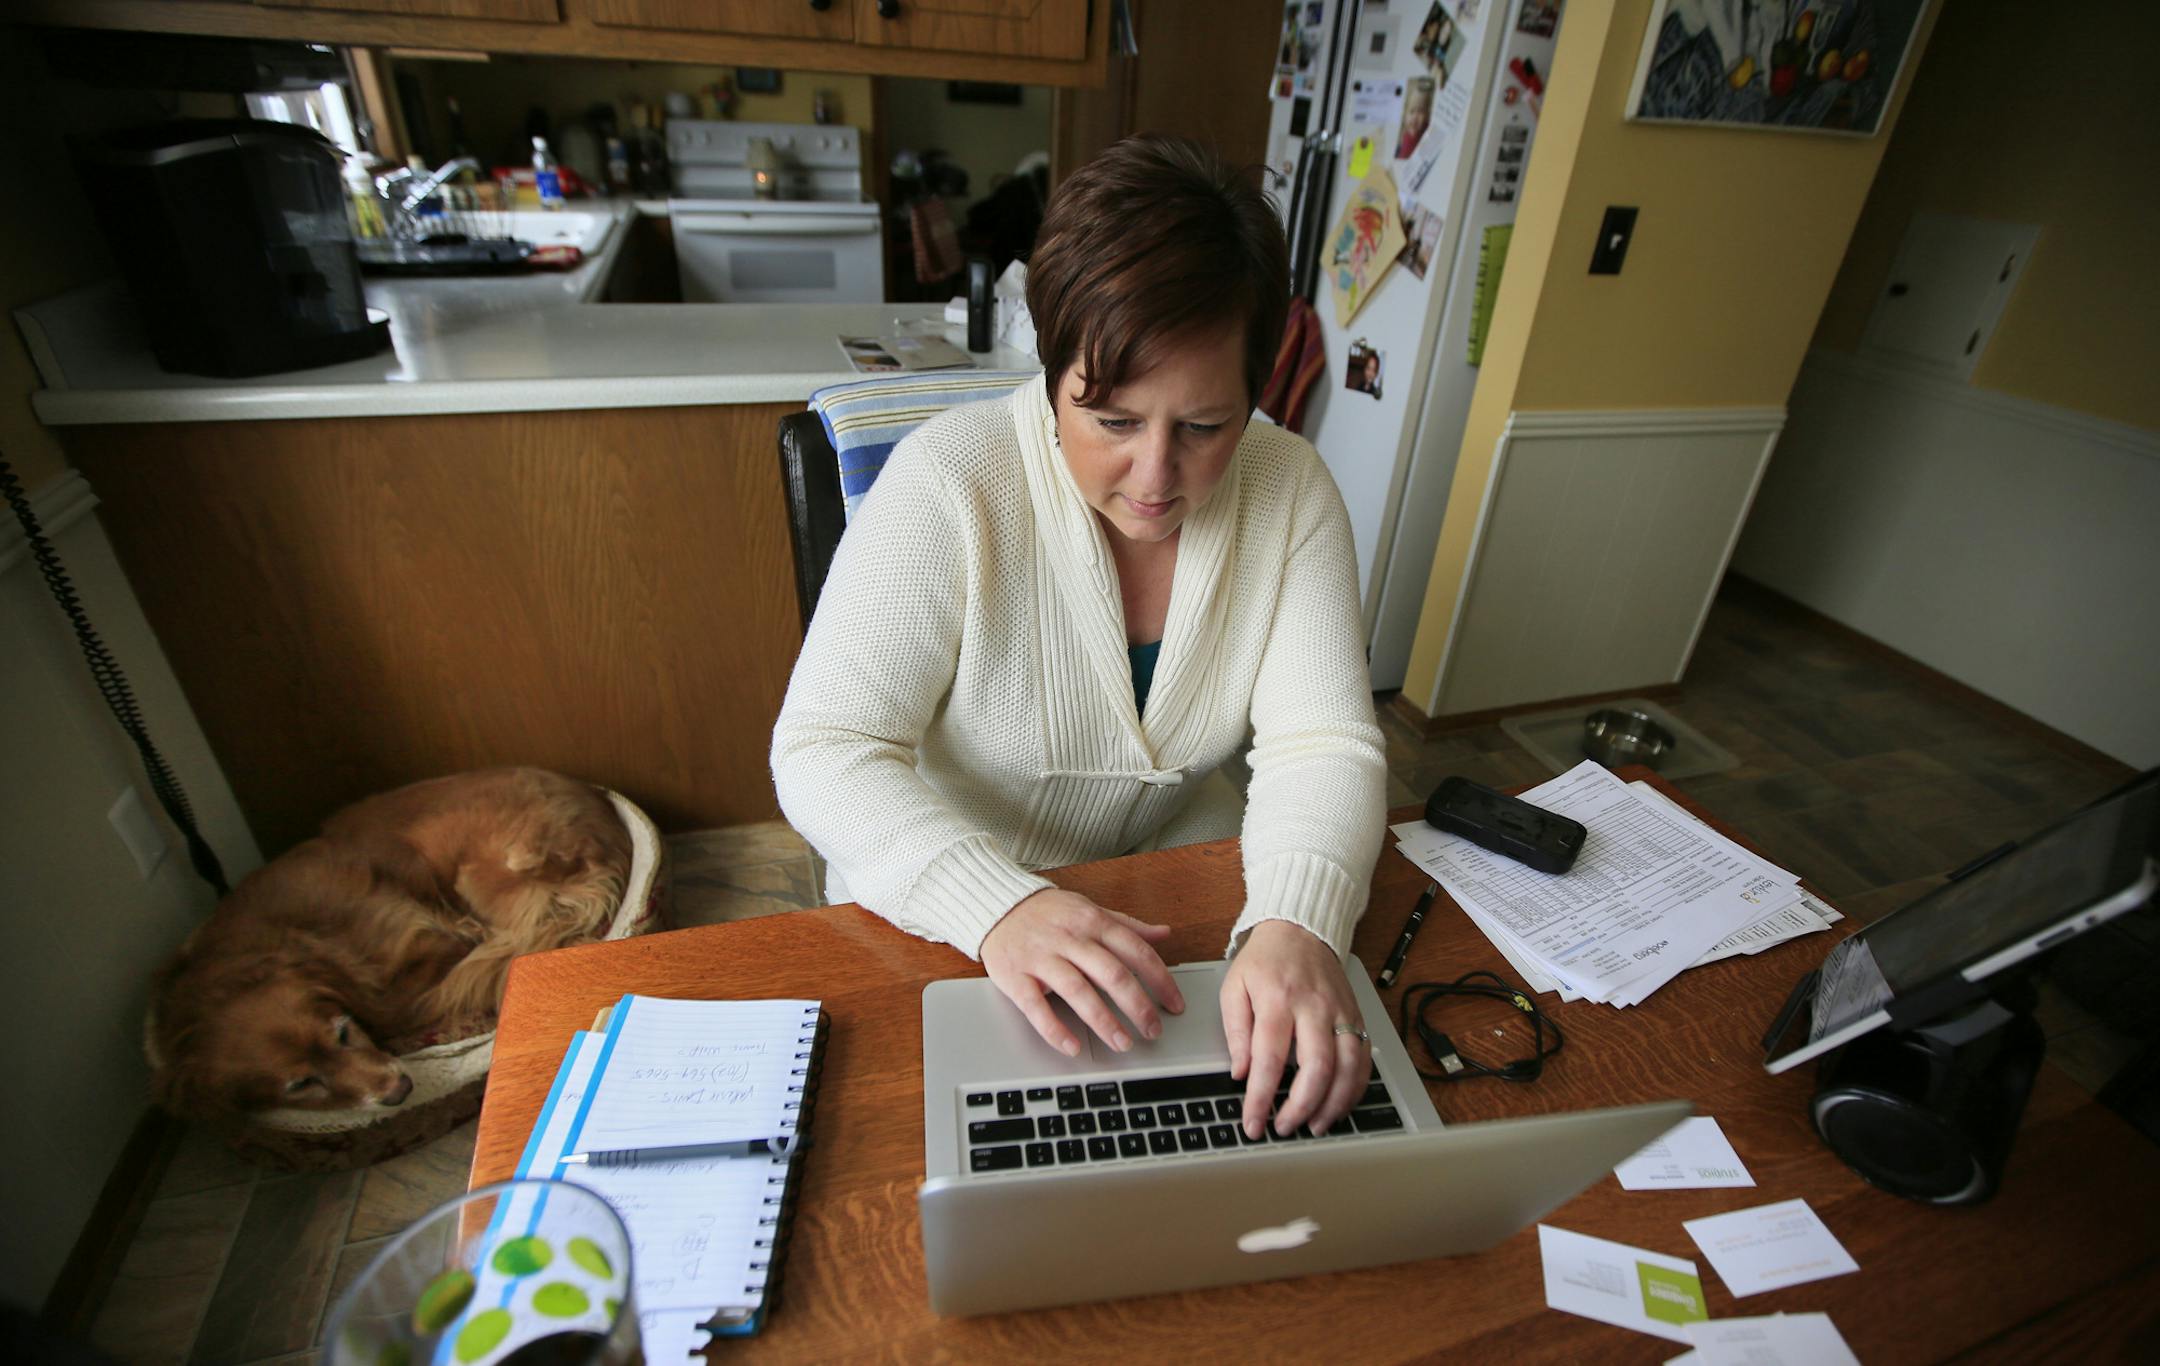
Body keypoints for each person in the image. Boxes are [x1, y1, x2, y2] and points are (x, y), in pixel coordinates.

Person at [771, 135, 1386, 1140]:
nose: (1154, 479)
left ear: (1256, 391)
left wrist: (1297, 920)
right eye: (1109, 418)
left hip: (1168, 891)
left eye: (1204, 426)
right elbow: (825, 749)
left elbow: (1322, 743)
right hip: (939, 899)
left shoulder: (1291, 489)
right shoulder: (950, 483)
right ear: (1052, 369)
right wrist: (996, 906)